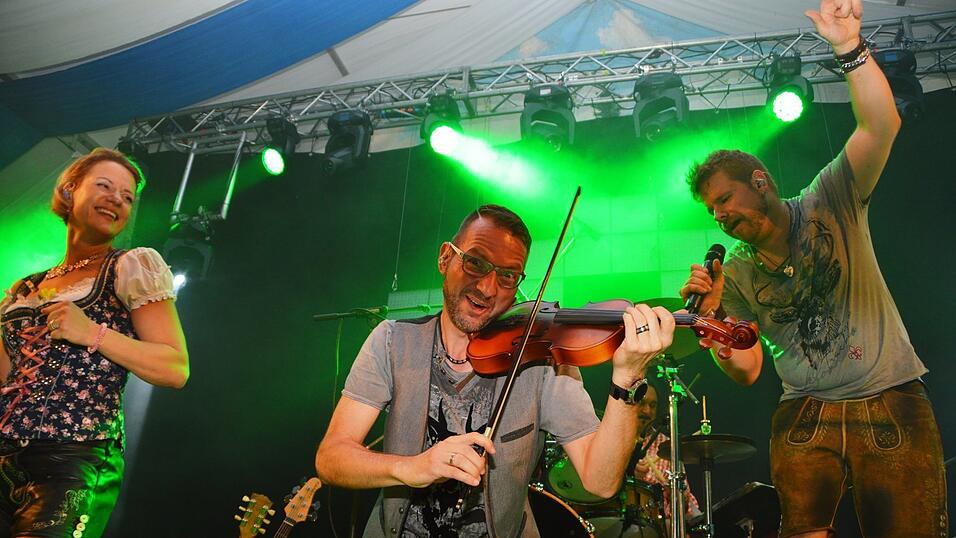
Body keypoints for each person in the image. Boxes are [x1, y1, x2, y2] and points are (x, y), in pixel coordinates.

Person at [680, 1, 947, 536]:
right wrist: (714, 330)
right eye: (711, 211)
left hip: (889, 397)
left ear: (760, 181)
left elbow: (881, 123)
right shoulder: (735, 274)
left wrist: (848, 47)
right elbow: (749, 369)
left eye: (725, 199)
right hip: (806, 412)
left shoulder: (830, 199)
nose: (721, 215)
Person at [315, 204, 676, 537]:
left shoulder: (543, 359)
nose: (488, 288)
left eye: (507, 276)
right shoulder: (393, 341)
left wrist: (627, 380)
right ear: (445, 259)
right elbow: (331, 458)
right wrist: (411, 468)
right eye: (475, 262)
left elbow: (601, 482)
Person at [0, 148, 190, 537]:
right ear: (70, 191)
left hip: (71, 462)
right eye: (104, 186)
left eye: (126, 197)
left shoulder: (130, 265)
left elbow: (175, 368)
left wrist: (92, 333)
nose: (116, 199)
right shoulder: (26, 286)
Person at [631, 383, 700, 526]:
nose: (647, 411)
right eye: (642, 403)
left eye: (653, 405)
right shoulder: (613, 439)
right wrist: (627, 469)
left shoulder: (668, 446)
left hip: (658, 526)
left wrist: (675, 492)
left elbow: (687, 506)